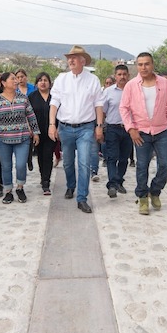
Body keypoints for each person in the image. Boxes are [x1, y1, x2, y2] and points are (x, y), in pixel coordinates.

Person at [120, 53, 167, 215]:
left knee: (165, 164)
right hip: (141, 133)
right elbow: (124, 108)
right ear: (137, 66)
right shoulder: (131, 85)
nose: (143, 67)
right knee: (142, 166)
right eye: (140, 64)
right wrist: (131, 128)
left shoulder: (164, 84)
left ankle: (154, 191)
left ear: (152, 65)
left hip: (161, 131)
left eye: (146, 64)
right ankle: (142, 198)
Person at [48, 45, 104, 214]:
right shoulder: (61, 79)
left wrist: (99, 126)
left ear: (83, 61)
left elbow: (98, 105)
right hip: (65, 128)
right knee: (67, 162)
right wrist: (52, 124)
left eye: (74, 57)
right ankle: (70, 185)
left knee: (84, 162)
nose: (70, 60)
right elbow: (54, 103)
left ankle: (82, 198)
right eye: (69, 57)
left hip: (86, 128)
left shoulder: (92, 80)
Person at [0, 72, 40, 203]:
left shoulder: (23, 98)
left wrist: (35, 132)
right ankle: (8, 191)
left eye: (16, 79)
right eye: (12, 79)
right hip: (2, 140)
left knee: (21, 165)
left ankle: (20, 188)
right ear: (4, 83)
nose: (16, 81)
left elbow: (31, 115)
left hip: (22, 138)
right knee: (6, 166)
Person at [102, 64, 132, 198]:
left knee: (124, 159)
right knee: (112, 157)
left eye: (124, 74)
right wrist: (100, 128)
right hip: (112, 128)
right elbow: (102, 111)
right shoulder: (108, 92)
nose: (122, 77)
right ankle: (112, 185)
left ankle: (119, 181)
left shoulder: (133, 91)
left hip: (129, 130)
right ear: (115, 76)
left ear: (128, 76)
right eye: (119, 74)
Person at [28, 72, 56, 195]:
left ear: (50, 83)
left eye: (45, 80)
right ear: (36, 83)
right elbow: (28, 115)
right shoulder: (32, 97)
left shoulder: (55, 97)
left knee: (48, 155)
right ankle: (42, 176)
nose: (43, 82)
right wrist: (32, 131)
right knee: (40, 156)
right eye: (40, 80)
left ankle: (46, 182)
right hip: (37, 133)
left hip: (51, 132)